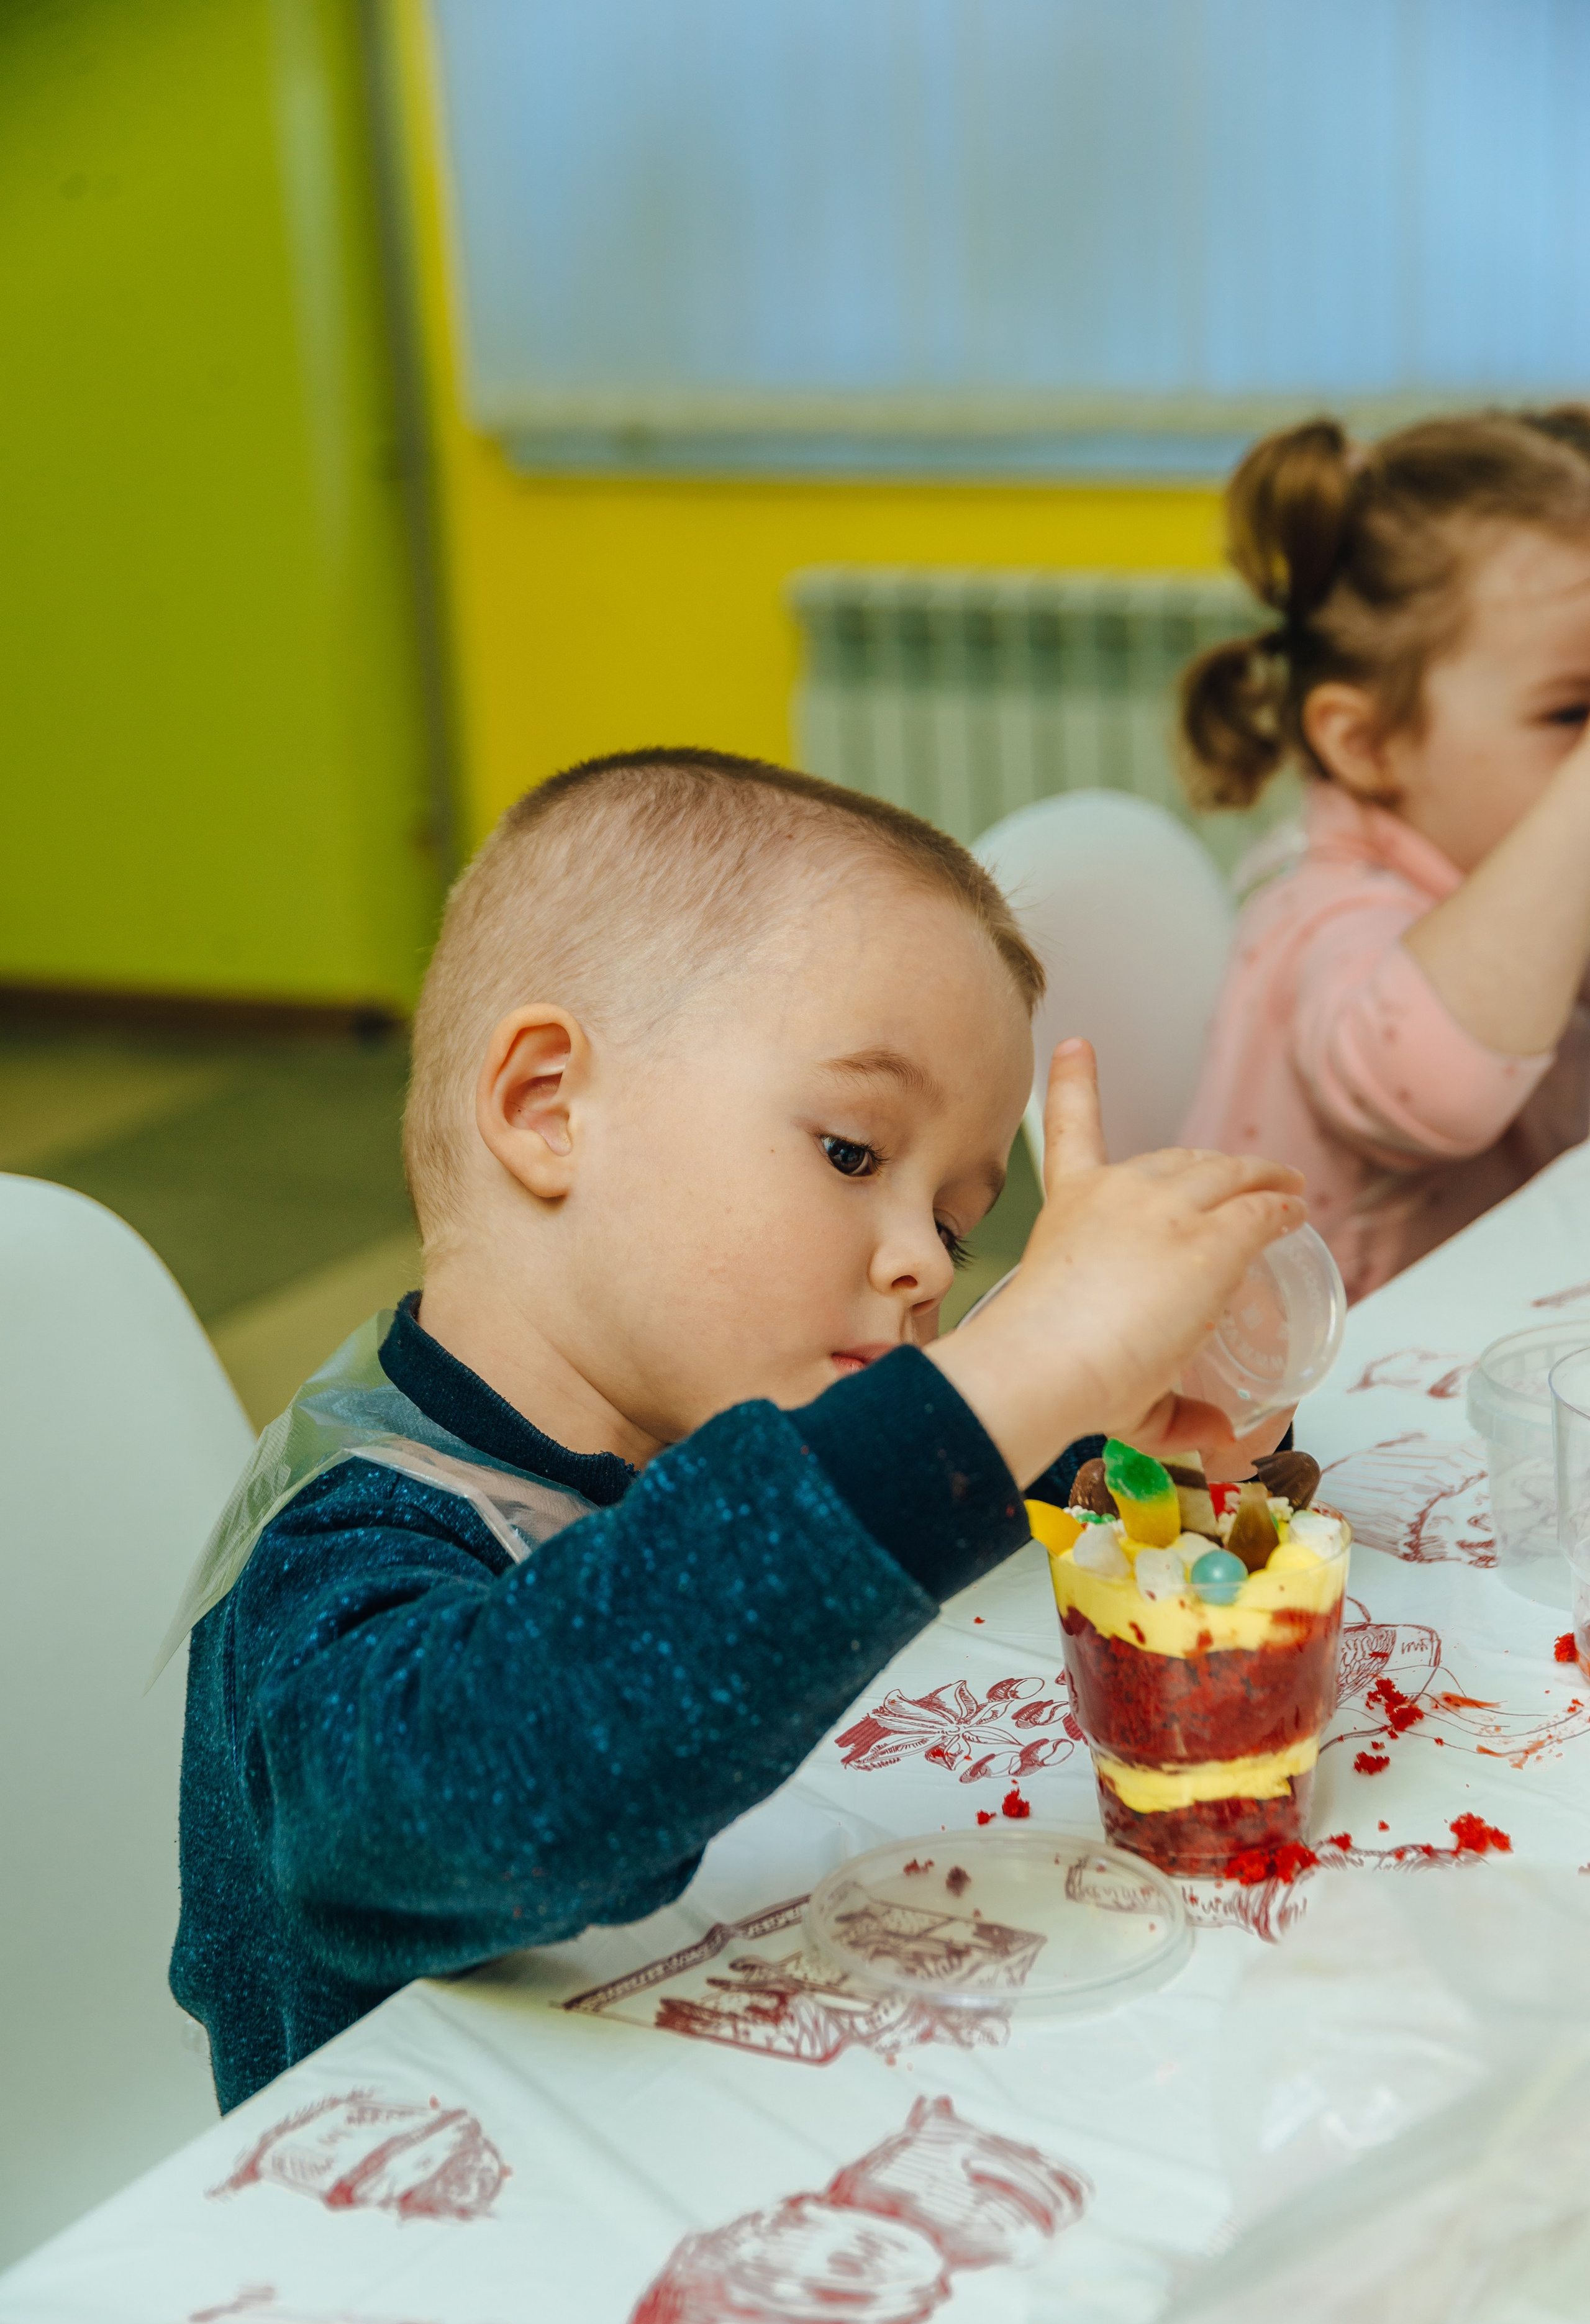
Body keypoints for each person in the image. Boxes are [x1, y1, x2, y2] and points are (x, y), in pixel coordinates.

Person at [170, 748, 1302, 2111]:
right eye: (848, 1152)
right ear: (546, 1107)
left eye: (953, 1218)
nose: (930, 1268)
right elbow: (501, 1785)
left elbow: (781, 1517)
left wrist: (1085, 1425)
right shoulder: (349, 1543)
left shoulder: (668, 1415)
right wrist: (1012, 1372)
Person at [1180, 409, 1590, 1303]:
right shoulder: (1319, 912)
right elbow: (1442, 1086)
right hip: (1322, 1420)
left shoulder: (1507, 864)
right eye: (1571, 714)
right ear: (1367, 744)